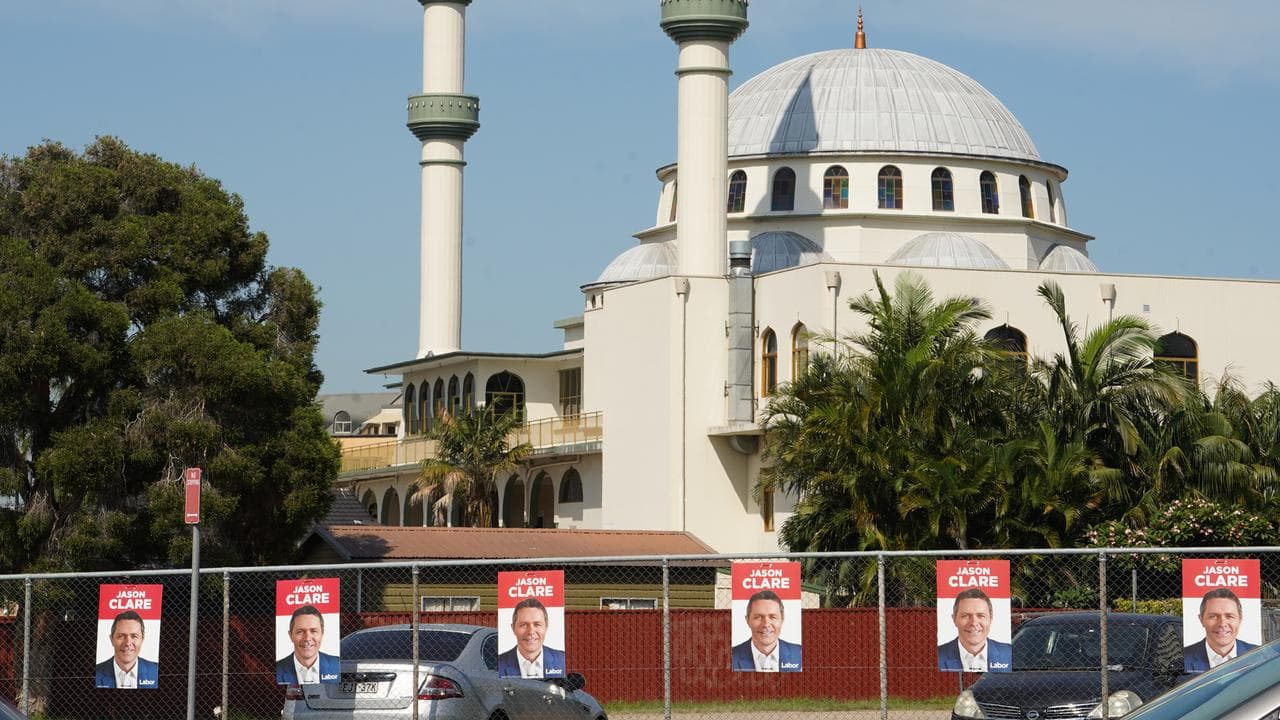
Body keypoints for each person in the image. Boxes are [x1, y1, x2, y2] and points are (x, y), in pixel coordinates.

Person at [938, 588, 1012, 672]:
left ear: (991, 619)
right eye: (965, 616)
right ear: (954, 619)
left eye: (980, 615)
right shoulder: (937, 656)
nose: (973, 622)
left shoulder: (1010, 654)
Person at [1184, 588, 1257, 672]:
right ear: (1201, 620)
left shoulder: (1261, 656)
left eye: (1229, 616)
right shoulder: (1183, 659)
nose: (1222, 624)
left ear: (1240, 619)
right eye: (1213, 616)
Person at [731, 589, 802, 672]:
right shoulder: (731, 656)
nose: (766, 624)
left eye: (772, 617)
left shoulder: (800, 654)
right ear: (747, 620)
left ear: (782, 620)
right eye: (758, 617)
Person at [497, 597, 565, 678]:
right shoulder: (498, 664)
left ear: (546, 627)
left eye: (537, 624)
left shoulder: (562, 660)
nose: (531, 632)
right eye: (523, 625)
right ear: (513, 628)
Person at [275, 605, 340, 684]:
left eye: (313, 631)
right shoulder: (276, 671)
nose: (307, 638)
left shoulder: (339, 665)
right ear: (291, 635)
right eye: (300, 632)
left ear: (322, 634)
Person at [95, 610, 160, 689]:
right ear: (111, 639)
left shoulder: (157, 671)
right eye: (121, 636)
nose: (127, 643)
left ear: (142, 639)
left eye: (134, 636)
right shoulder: (96, 673)